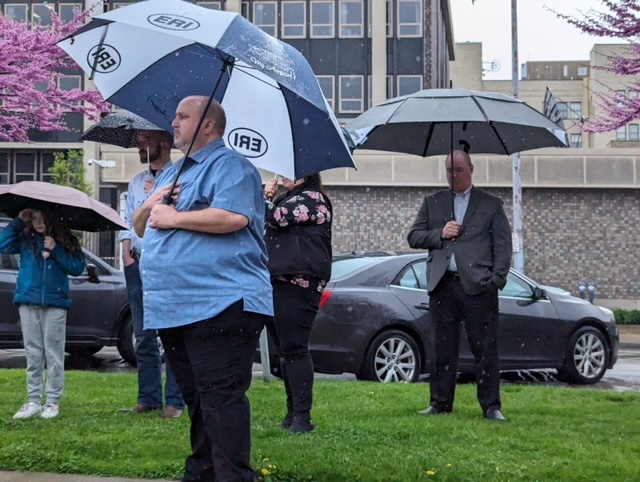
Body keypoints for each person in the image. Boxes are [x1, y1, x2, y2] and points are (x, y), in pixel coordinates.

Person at [133, 96, 273, 482]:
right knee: (197, 398)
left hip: (220, 302)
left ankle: (232, 475)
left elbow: (233, 217)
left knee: (220, 397)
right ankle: (204, 471)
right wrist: (151, 206)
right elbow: (141, 226)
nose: (173, 124)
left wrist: (175, 216)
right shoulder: (171, 174)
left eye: (182, 117)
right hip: (175, 306)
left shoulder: (232, 167)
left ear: (208, 125)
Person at [407, 149, 512, 421]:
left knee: (485, 348)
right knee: (442, 348)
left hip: (479, 287)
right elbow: (414, 236)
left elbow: (503, 245)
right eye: (449, 171)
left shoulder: (490, 204)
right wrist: (440, 234)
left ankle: (491, 406)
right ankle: (440, 402)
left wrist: (497, 279)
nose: (454, 176)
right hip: (443, 285)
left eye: (459, 170)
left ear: (471, 169)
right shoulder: (434, 202)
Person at [120, 129, 185, 419]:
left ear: (165, 144)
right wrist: (125, 254)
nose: (140, 145)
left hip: (167, 264)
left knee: (171, 332)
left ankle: (175, 400)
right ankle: (148, 396)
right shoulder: (135, 181)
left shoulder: (180, 177)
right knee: (143, 334)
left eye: (146, 140)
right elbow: (126, 220)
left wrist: (153, 199)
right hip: (138, 262)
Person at [263, 173, 332, 434]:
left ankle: (303, 417)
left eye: (288, 173)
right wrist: (270, 198)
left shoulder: (314, 199)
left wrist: (265, 199)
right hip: (279, 282)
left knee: (295, 348)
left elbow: (277, 218)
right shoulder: (288, 198)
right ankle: (292, 412)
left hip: (299, 284)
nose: (282, 178)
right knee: (285, 350)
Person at [0, 208, 85, 419]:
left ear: (52, 218)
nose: (38, 222)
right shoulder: (25, 239)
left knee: (54, 353)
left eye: (42, 217)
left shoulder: (66, 240)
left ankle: (52, 402)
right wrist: (19, 221)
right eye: (34, 217)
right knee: (33, 352)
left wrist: (56, 250)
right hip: (28, 301)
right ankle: (33, 401)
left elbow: (77, 267)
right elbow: (2, 244)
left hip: (55, 304)